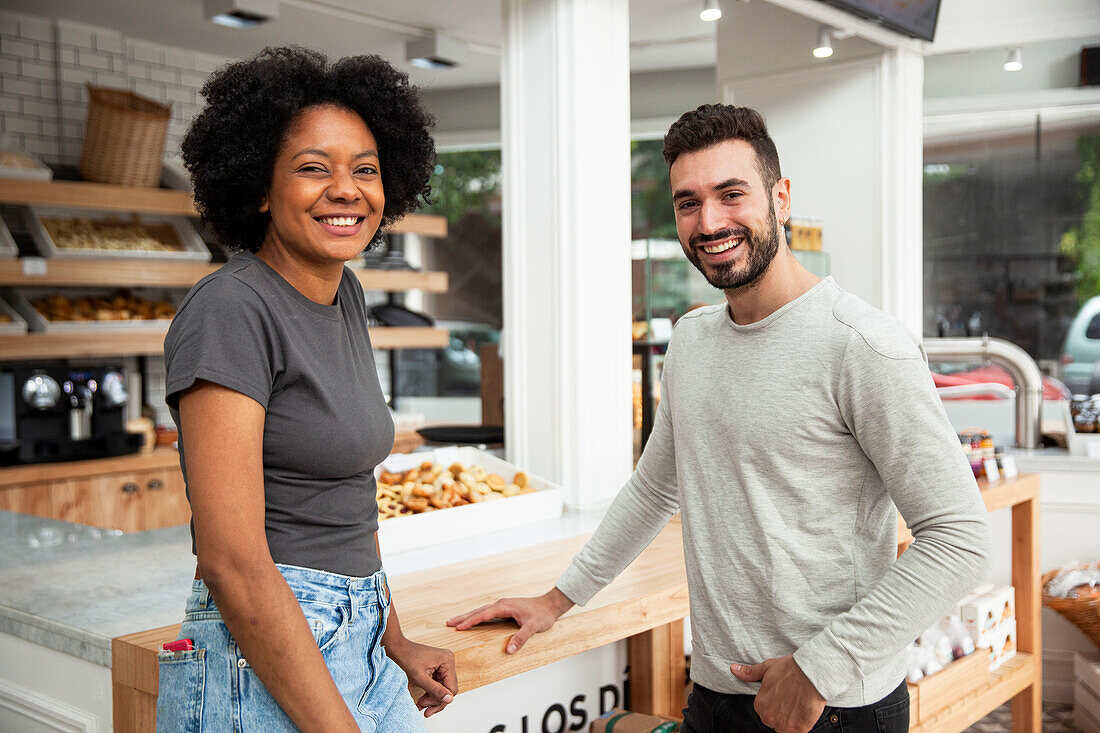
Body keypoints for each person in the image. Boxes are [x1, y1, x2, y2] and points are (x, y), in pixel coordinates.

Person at [448, 105, 992, 733]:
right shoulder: (693, 341)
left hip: (833, 703)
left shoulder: (862, 346)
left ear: (780, 197)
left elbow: (960, 540)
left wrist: (819, 668)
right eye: (688, 202)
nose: (709, 222)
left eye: (732, 194)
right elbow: (654, 488)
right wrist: (556, 599)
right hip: (715, 691)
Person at [158, 47, 456, 733]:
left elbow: (347, 500)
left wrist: (393, 634)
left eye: (366, 169)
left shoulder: (343, 290)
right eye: (313, 168)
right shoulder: (230, 308)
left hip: (359, 639)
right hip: (262, 651)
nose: (346, 189)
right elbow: (230, 562)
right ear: (260, 187)